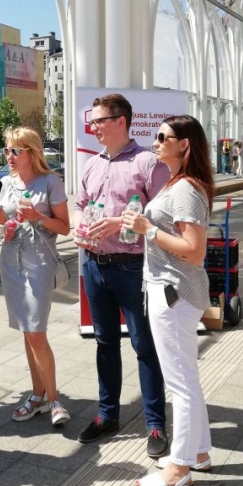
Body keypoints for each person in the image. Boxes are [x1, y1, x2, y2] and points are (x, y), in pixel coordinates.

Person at [120, 115, 215, 486]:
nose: (156, 141)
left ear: (185, 145)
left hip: (173, 293)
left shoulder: (186, 189)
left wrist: (148, 229)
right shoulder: (177, 182)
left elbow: (194, 251)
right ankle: (200, 453)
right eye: (157, 135)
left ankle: (179, 468)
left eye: (164, 137)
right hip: (170, 291)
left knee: (180, 384)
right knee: (186, 377)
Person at [73, 93, 171, 458]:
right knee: (105, 343)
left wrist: (121, 222)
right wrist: (79, 225)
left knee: (144, 346)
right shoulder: (91, 164)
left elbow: (163, 216)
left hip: (133, 267)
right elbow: (81, 205)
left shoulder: (147, 162)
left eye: (98, 120)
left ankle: (155, 423)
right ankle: (107, 415)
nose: (93, 127)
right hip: (93, 264)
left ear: (120, 121)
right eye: (92, 121)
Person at [0, 127, 72, 427]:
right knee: (28, 332)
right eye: (7, 150)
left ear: (32, 152)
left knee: (36, 331)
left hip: (39, 262)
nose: (10, 156)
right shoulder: (5, 184)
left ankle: (53, 400)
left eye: (16, 150)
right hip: (11, 262)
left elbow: (64, 227)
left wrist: (38, 218)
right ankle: (37, 396)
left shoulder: (50, 181)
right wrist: (4, 230)